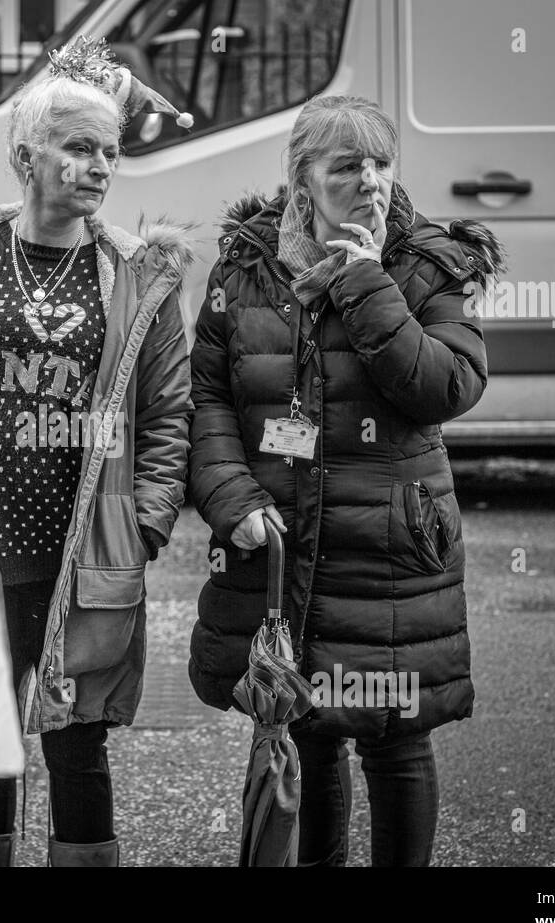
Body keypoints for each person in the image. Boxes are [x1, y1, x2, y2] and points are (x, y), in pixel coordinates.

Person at [0, 36, 193, 867]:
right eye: (79, 148)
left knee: (76, 746)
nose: (100, 167)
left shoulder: (137, 277)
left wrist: (146, 529)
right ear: (27, 156)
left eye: (111, 151)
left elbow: (169, 415)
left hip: (83, 558)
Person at [187, 94, 504, 866]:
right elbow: (209, 396)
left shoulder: (424, 264)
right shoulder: (247, 266)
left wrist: (364, 283)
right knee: (310, 730)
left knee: (396, 740)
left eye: (381, 164)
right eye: (346, 166)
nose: (370, 181)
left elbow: (446, 387)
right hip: (286, 542)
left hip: (389, 541)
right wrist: (232, 493)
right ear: (302, 181)